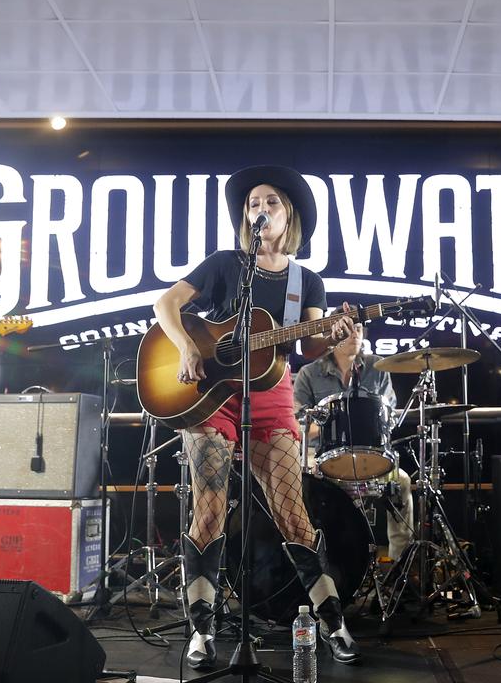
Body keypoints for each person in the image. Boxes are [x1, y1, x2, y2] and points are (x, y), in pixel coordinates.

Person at [152, 165, 359, 669]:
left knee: (294, 515)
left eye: (270, 201)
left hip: (272, 398)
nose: (260, 209)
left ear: (289, 213)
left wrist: (334, 337)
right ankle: (201, 634)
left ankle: (333, 622)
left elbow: (308, 345)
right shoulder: (226, 264)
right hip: (213, 397)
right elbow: (167, 303)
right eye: (252, 204)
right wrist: (183, 346)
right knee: (209, 512)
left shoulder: (304, 280)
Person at [292, 321, 414, 562]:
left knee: (401, 481)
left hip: (370, 456)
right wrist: (332, 425)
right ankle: (314, 560)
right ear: (333, 333)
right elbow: (297, 424)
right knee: (299, 483)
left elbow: (387, 418)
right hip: (320, 457)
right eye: (349, 329)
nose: (355, 334)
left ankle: (400, 566)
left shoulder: (377, 368)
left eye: (358, 328)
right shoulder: (309, 373)